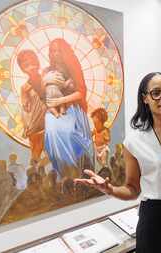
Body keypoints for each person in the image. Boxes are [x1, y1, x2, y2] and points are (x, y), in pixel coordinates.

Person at [75, 72, 161, 253]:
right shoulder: (134, 141)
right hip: (154, 217)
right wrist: (109, 189)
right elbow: (132, 189)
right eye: (156, 93)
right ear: (145, 98)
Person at [43, 38, 94, 181]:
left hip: (73, 109)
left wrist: (61, 100)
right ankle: (63, 174)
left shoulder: (73, 69)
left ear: (65, 52)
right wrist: (44, 81)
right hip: (53, 110)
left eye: (59, 50)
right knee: (52, 130)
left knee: (69, 132)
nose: (55, 54)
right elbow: (42, 94)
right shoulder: (47, 71)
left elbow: (81, 92)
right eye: (52, 50)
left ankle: (77, 173)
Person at [17, 50, 47, 163]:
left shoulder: (46, 77)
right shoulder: (24, 88)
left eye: (31, 60)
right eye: (25, 63)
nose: (29, 64)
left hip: (49, 118)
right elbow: (25, 106)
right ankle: (36, 169)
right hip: (34, 122)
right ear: (23, 68)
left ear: (37, 62)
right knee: (35, 149)